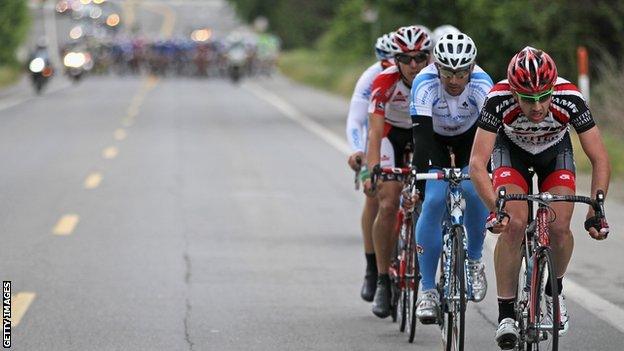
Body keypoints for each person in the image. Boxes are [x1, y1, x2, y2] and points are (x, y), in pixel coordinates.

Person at [468, 46, 611, 349]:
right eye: (527, 98)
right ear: (513, 92)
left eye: (543, 97)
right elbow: (477, 163)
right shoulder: (497, 99)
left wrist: (597, 209)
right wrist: (496, 209)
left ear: (552, 89)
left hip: (555, 154)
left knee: (559, 227)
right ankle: (506, 313)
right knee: (514, 223)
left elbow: (599, 158)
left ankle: (553, 291)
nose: (537, 106)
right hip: (512, 153)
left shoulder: (569, 98)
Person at [409, 32, 493, 324]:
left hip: (471, 138)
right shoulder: (424, 82)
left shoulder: (484, 85)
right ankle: (428, 290)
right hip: (434, 139)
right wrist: (419, 185)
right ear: (436, 67)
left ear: (472, 67)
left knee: (474, 190)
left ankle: (473, 261)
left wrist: (487, 176)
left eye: (461, 72)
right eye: (447, 71)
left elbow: (493, 140)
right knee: (433, 201)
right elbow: (421, 139)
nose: (454, 80)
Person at [363, 25, 432, 318]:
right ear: (396, 60)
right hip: (392, 134)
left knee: (432, 197)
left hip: (423, 135)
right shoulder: (384, 82)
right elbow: (375, 132)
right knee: (389, 201)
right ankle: (382, 279)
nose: (413, 65)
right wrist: (372, 169)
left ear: (429, 57)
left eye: (420, 57)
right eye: (406, 59)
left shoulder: (436, 79)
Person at [346, 32, 395, 302]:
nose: (391, 66)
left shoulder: (420, 75)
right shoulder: (371, 77)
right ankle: (371, 268)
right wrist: (359, 153)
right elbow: (356, 122)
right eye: (384, 61)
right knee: (375, 197)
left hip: (406, 137)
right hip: (375, 138)